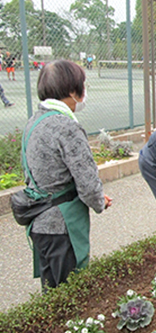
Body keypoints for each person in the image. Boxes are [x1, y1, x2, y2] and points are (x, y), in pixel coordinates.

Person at [24, 60, 112, 291]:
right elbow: (87, 180)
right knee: (73, 292)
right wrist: (98, 201)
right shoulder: (67, 127)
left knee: (52, 292)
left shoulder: (34, 122)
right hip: (63, 227)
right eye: (83, 85)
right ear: (73, 91)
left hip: (39, 223)